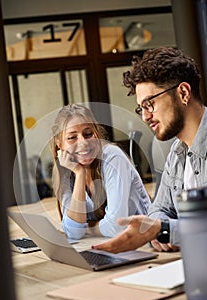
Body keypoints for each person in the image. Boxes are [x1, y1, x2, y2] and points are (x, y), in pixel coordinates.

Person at [92, 47, 207, 253]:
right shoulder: (177, 152)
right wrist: (162, 229)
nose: (145, 117)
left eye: (149, 104)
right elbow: (159, 209)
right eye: (141, 108)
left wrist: (164, 230)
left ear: (183, 93)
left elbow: (160, 225)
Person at [50, 103, 150, 240]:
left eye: (88, 134)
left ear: (96, 134)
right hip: (105, 244)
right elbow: (73, 232)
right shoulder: (66, 169)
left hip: (145, 242)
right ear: (59, 144)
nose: (83, 142)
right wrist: (79, 174)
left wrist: (85, 228)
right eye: (72, 137)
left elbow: (116, 228)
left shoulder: (113, 157)